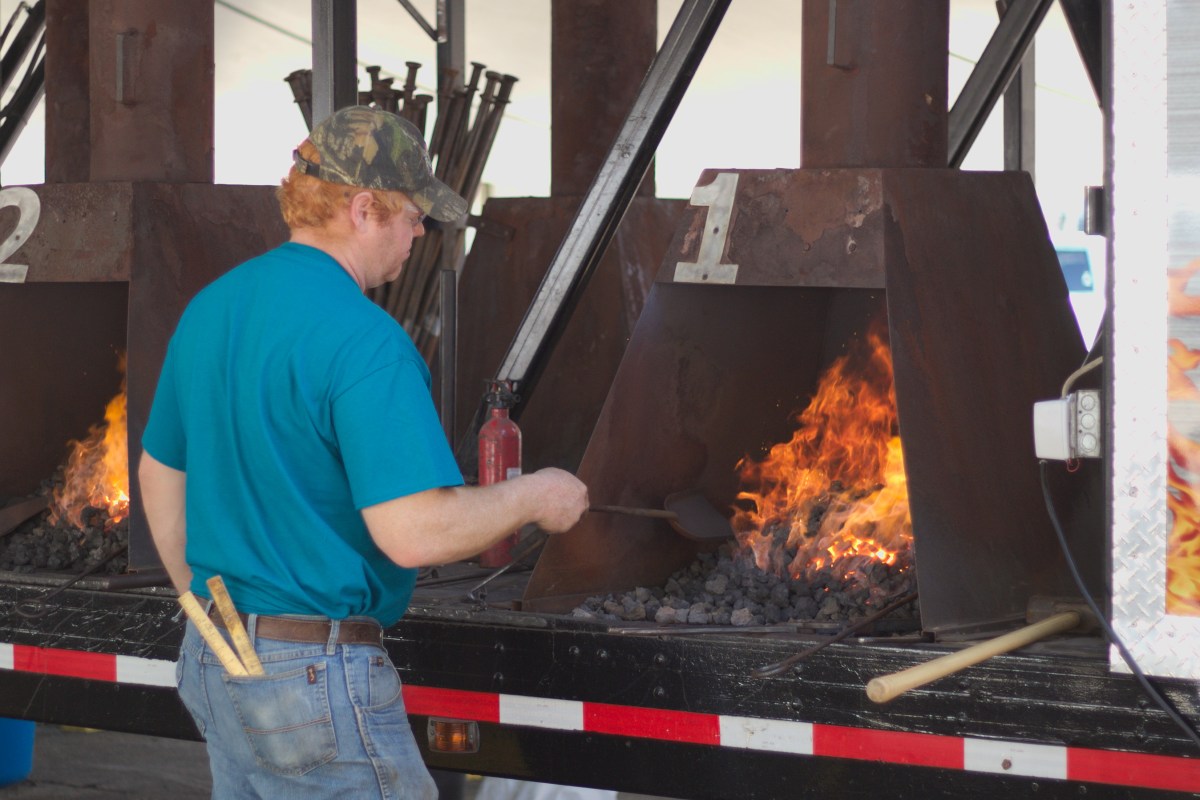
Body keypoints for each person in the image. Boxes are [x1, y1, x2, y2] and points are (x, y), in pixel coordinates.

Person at [137, 106, 589, 799]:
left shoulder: (212, 308)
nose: (420, 233)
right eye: (411, 215)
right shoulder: (365, 340)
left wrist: (203, 608)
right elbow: (412, 532)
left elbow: (160, 474)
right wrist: (536, 495)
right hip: (308, 676)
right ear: (363, 208)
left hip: (214, 654)